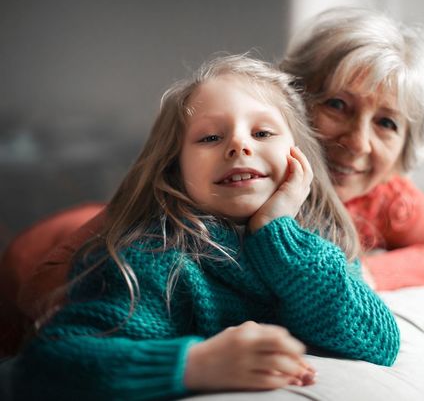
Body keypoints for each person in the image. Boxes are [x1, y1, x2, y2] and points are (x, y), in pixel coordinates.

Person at [8, 55, 400, 400]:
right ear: (175, 170)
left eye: (262, 133)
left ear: (300, 156)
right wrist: (194, 364)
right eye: (211, 137)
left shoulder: (313, 246)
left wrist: (277, 232)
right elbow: (47, 365)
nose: (239, 146)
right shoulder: (157, 261)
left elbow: (378, 342)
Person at [280, 7, 424, 291]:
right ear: (293, 96)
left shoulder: (387, 202)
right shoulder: (254, 163)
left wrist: (367, 272)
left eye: (386, 123)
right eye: (337, 105)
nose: (358, 143)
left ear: (405, 147)